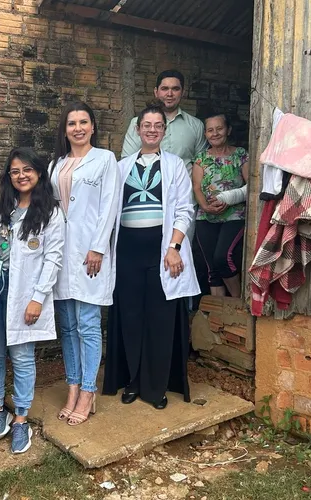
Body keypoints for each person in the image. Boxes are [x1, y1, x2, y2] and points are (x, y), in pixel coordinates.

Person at [103, 105, 200, 409]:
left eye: (158, 125)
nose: (152, 130)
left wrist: (174, 247)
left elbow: (185, 209)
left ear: (164, 131)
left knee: (159, 319)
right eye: (147, 125)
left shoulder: (174, 166)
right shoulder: (120, 167)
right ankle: (132, 381)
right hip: (128, 249)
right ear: (137, 129)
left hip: (161, 250)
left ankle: (155, 386)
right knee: (131, 317)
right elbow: (107, 209)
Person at [0, 147, 65, 454]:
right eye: (15, 171)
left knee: (20, 357)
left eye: (27, 170)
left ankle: (20, 418)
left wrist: (37, 299)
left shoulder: (51, 213)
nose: (21, 176)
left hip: (25, 294)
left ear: (39, 173)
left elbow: (53, 260)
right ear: (8, 176)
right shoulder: (0, 211)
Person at [50, 101, 120, 426]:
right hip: (61, 253)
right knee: (66, 326)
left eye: (83, 122)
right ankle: (73, 386)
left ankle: (89, 391)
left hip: (90, 253)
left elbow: (109, 207)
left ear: (93, 126)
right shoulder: (56, 164)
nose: (77, 128)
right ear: (65, 130)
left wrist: (98, 247)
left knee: (88, 323)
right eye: (71, 123)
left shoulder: (105, 160)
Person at [191, 113, 249, 298]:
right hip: (206, 217)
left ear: (228, 130)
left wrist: (230, 197)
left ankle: (237, 303)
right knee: (211, 269)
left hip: (234, 216)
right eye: (210, 130)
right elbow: (197, 187)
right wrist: (205, 207)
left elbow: (251, 186)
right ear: (205, 134)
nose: (215, 133)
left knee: (223, 258)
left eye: (219, 128)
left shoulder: (241, 155)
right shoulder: (201, 159)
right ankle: (218, 320)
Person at [121, 69, 208, 166]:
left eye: (175, 89)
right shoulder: (137, 123)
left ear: (183, 92)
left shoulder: (196, 125)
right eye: (164, 89)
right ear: (156, 92)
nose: (169, 94)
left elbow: (202, 164)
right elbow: (127, 161)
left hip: (182, 180)